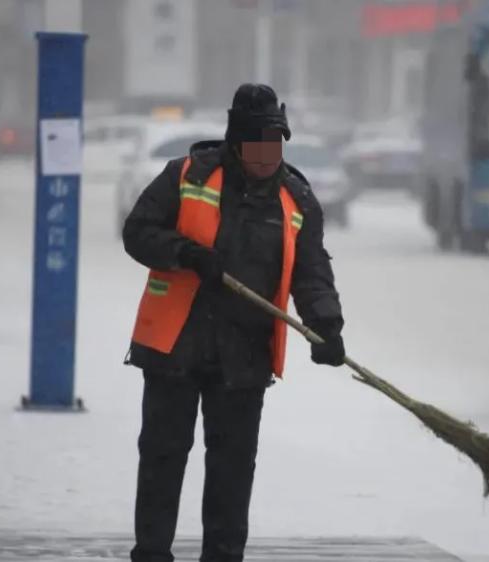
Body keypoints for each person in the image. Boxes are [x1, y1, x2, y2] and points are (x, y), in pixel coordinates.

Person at [122, 83, 346, 562]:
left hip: (243, 359)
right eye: (258, 146)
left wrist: (328, 326)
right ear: (235, 141)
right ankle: (152, 554)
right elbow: (137, 232)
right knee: (162, 461)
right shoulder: (186, 175)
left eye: (276, 145)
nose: (268, 157)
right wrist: (184, 254)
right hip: (174, 347)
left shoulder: (297, 200)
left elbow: (312, 272)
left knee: (231, 472)